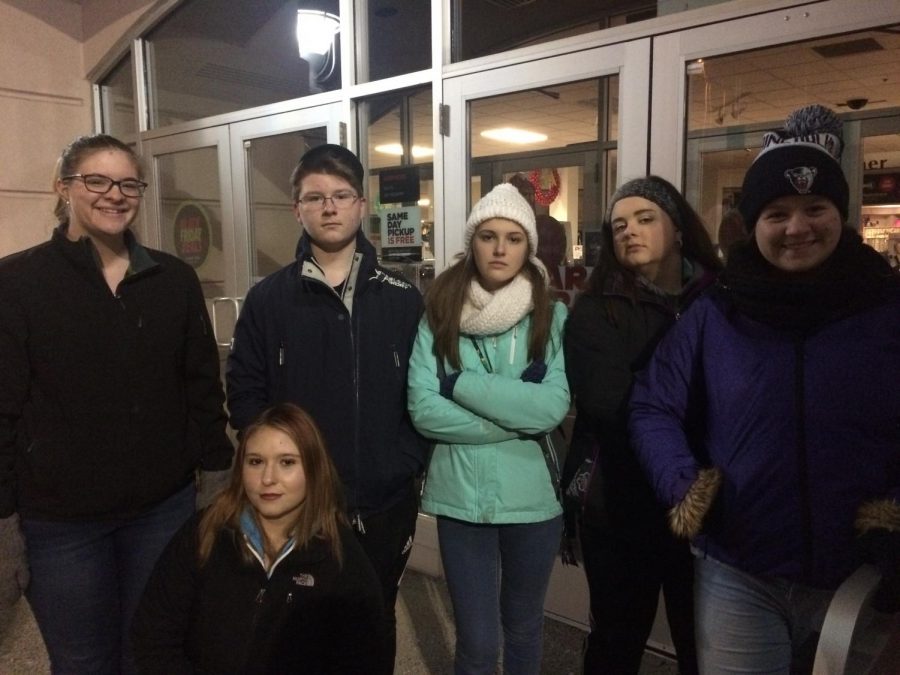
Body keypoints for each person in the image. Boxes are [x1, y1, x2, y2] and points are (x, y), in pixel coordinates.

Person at [630, 105, 900, 674]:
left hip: (860, 574)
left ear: (840, 213)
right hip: (739, 572)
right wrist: (687, 487)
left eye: (814, 208)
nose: (797, 227)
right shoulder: (716, 312)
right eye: (777, 212)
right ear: (753, 222)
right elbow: (654, 404)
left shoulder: (885, 306)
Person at [0, 134, 233, 674]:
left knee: (151, 649)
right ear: (64, 188)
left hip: (162, 507)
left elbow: (202, 387)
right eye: (96, 181)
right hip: (60, 522)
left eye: (128, 183)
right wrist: (4, 521)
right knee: (84, 659)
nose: (114, 194)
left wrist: (217, 480)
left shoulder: (173, 279)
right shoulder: (18, 282)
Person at [226, 143, 426, 673]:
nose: (329, 207)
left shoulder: (401, 298)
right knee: (295, 630)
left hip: (383, 503)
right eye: (315, 197)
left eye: (341, 195)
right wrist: (277, 467)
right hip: (298, 505)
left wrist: (403, 460)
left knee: (374, 623)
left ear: (362, 206)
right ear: (297, 209)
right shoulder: (270, 299)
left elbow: (426, 394)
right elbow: (245, 392)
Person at [407, 183, 570, 675]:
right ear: (472, 241)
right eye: (489, 236)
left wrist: (461, 385)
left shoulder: (551, 313)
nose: (500, 249)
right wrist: (514, 418)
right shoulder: (438, 313)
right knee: (477, 644)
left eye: (514, 238)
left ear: (529, 247)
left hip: (533, 501)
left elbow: (551, 408)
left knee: (523, 628)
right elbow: (422, 408)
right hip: (462, 498)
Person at [563, 175, 720, 674]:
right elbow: (612, 404)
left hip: (711, 502)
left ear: (677, 229)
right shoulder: (595, 308)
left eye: (645, 219)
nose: (630, 231)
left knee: (707, 645)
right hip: (621, 503)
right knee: (616, 640)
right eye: (618, 225)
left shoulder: (719, 298)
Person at [131, 403, 386, 674]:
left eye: (286, 462)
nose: (268, 478)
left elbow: (365, 660)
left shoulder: (342, 559)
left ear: (314, 469)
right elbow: (153, 635)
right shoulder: (205, 532)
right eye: (255, 462)